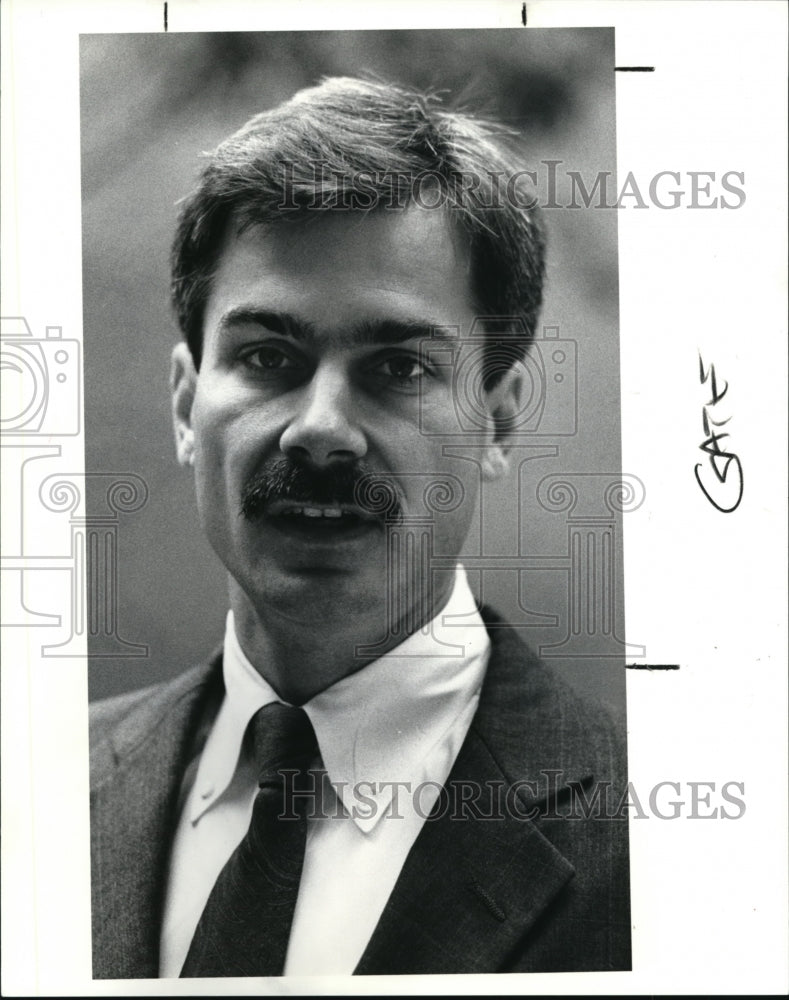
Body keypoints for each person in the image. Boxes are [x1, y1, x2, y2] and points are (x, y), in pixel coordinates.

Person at [89, 76, 631, 978]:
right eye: (268, 357)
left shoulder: (671, 840)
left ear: (497, 419)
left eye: (397, 367)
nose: (321, 431)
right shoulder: (35, 796)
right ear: (188, 406)